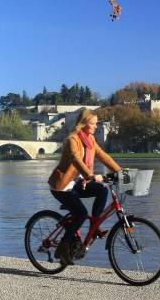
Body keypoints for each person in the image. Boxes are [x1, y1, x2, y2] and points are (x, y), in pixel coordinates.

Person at [48, 109, 121, 265]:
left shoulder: (90, 140)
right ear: (85, 124)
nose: (96, 126)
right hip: (62, 185)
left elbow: (103, 156)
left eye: (96, 124)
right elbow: (75, 159)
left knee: (102, 189)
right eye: (93, 123)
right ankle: (62, 247)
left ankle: (94, 224)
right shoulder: (72, 139)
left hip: (78, 183)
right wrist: (90, 175)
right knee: (81, 213)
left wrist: (120, 171)